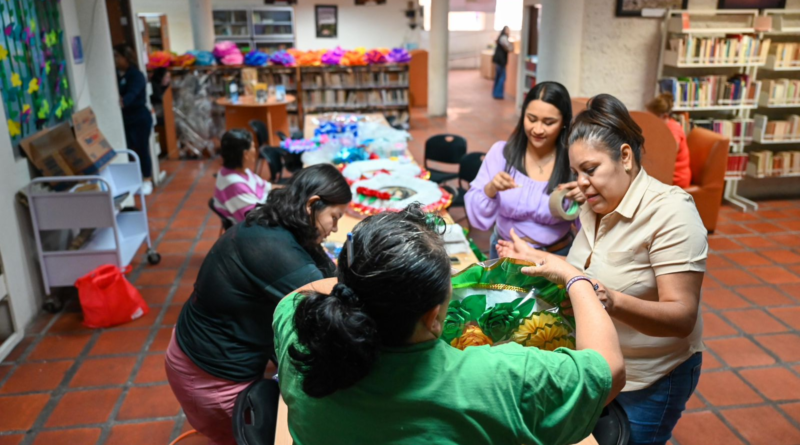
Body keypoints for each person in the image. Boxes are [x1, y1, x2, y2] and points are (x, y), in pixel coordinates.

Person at [273, 203, 626, 445]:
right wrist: (574, 276)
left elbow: (302, 293)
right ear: (433, 317)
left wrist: (397, 281)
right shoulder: (500, 379)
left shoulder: (300, 331)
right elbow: (608, 368)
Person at [498, 94, 707, 445]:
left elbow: (682, 316)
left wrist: (609, 300)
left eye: (590, 170)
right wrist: (536, 255)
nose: (581, 182)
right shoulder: (595, 204)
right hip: (601, 366)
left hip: (650, 376)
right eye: (576, 172)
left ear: (625, 156)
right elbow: (588, 266)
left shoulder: (672, 213)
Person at [165, 164, 351, 445]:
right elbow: (334, 306)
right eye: (334, 217)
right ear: (312, 204)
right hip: (211, 375)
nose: (335, 228)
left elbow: (326, 273)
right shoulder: (273, 249)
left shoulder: (278, 222)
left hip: (200, 351)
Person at [466, 81, 585, 259]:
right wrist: (490, 189)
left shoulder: (574, 162)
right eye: (531, 119)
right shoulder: (501, 154)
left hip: (554, 258)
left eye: (548, 122)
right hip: (503, 255)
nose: (538, 129)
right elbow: (477, 217)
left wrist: (586, 201)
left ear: (564, 123)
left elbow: (591, 231)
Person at [114, 44, 154, 195]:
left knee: (142, 149)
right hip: (126, 119)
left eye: (118, 56)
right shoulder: (116, 75)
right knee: (129, 150)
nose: (115, 60)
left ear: (126, 58)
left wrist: (122, 101)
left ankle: (147, 180)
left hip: (139, 118)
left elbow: (129, 97)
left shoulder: (136, 75)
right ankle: (133, 180)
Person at [213, 129, 271, 224]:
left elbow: (266, 186)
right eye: (253, 147)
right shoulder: (235, 185)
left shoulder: (243, 170)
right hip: (257, 227)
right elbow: (256, 219)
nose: (256, 150)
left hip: (265, 210)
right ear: (246, 154)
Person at [645, 92, 692, 189]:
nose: (649, 121)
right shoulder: (660, 128)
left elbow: (668, 155)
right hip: (664, 174)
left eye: (652, 118)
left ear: (665, 116)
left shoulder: (673, 129)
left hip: (676, 177)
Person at [492, 26, 513, 99]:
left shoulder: (501, 37)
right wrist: (511, 47)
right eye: (508, 30)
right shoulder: (504, 38)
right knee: (502, 77)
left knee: (498, 77)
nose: (509, 31)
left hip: (499, 60)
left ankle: (495, 93)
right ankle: (498, 94)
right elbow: (509, 47)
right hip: (501, 60)